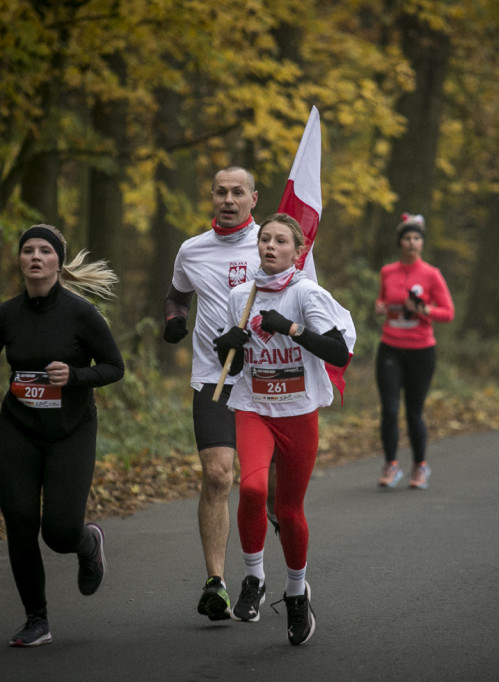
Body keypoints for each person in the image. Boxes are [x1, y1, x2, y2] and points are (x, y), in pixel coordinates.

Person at [0, 224, 124, 647]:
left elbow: (113, 367)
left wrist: (74, 376)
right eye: (28, 250)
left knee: (58, 531)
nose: (35, 257)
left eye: (45, 251)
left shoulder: (80, 314)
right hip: (18, 429)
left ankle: (88, 543)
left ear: (57, 262)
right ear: (20, 260)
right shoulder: (5, 314)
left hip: (70, 431)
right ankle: (37, 619)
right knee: (19, 522)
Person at [213, 213, 353, 645]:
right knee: (253, 490)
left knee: (289, 511)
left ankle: (296, 593)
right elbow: (229, 360)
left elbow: (339, 353)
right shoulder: (242, 294)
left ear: (297, 251)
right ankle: (254, 579)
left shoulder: (307, 294)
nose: (269, 246)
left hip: (297, 412)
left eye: (279, 241)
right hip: (254, 407)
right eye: (264, 240)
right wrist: (227, 345)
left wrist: (290, 328)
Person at [163, 166, 266, 621]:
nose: (228, 199)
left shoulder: (273, 244)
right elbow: (177, 296)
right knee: (219, 476)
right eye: (221, 192)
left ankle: (262, 572)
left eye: (237, 192)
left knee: (267, 490)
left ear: (253, 198)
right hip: (215, 378)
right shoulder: (191, 249)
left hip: (265, 380)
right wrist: (173, 321)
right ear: (212, 197)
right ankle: (216, 583)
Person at [373, 213, 454, 489]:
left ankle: (420, 466)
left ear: (422, 242)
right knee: (389, 408)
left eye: (416, 238)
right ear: (400, 242)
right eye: (406, 238)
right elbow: (384, 299)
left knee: (413, 412)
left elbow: (448, 313)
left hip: (421, 350)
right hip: (390, 348)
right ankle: (391, 464)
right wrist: (380, 306)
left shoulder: (432, 275)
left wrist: (425, 309)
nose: (411, 243)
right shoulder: (387, 272)